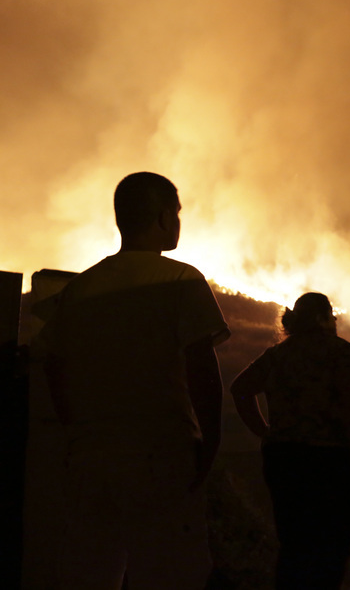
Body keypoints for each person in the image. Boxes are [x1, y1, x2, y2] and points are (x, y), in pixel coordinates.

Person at [41, 172, 230, 590]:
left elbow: (54, 367)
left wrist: (76, 432)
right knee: (169, 575)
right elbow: (203, 369)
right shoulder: (182, 281)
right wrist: (210, 442)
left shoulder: (80, 289)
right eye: (177, 214)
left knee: (88, 575)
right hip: (160, 458)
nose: (179, 222)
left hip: (90, 462)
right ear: (164, 217)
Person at [230, 292, 350, 589]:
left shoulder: (278, 355)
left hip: (284, 459)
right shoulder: (340, 352)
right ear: (322, 318)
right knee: (332, 544)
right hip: (329, 460)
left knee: (293, 545)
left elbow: (240, 389)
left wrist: (265, 432)